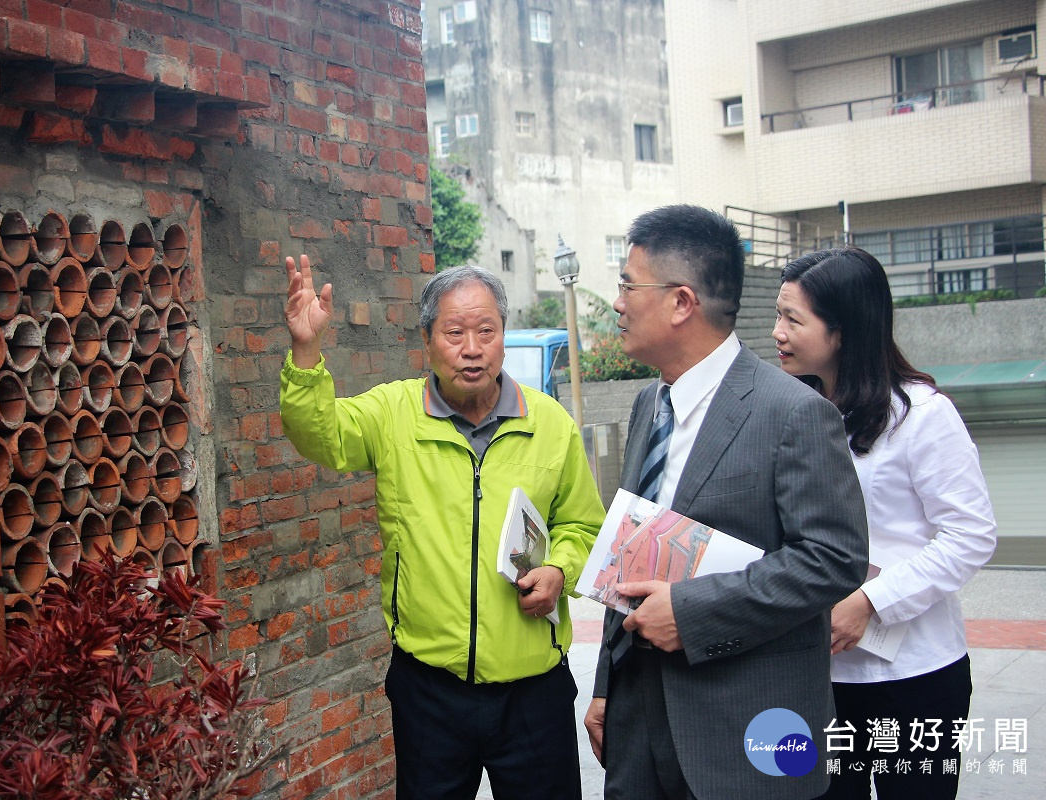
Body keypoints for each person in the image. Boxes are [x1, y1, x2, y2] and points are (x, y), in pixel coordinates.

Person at [279, 255, 604, 800]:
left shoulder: (550, 425)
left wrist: (558, 570)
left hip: (533, 690)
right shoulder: (393, 414)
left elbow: (582, 525)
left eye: (486, 331)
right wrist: (307, 350)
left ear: (504, 337)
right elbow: (319, 433)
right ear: (426, 342)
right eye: (454, 333)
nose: (471, 348)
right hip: (429, 688)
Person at [583, 204, 869, 800]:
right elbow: (632, 553)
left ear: (682, 302)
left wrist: (690, 612)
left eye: (628, 286)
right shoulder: (647, 406)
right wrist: (608, 684)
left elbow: (833, 560)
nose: (616, 303)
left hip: (744, 729)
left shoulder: (792, 412)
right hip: (638, 725)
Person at [773, 247, 997, 799]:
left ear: (844, 330)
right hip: (816, 679)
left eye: (793, 319)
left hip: (915, 681)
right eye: (777, 315)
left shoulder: (922, 416)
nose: (777, 332)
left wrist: (871, 602)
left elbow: (971, 535)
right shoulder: (791, 413)